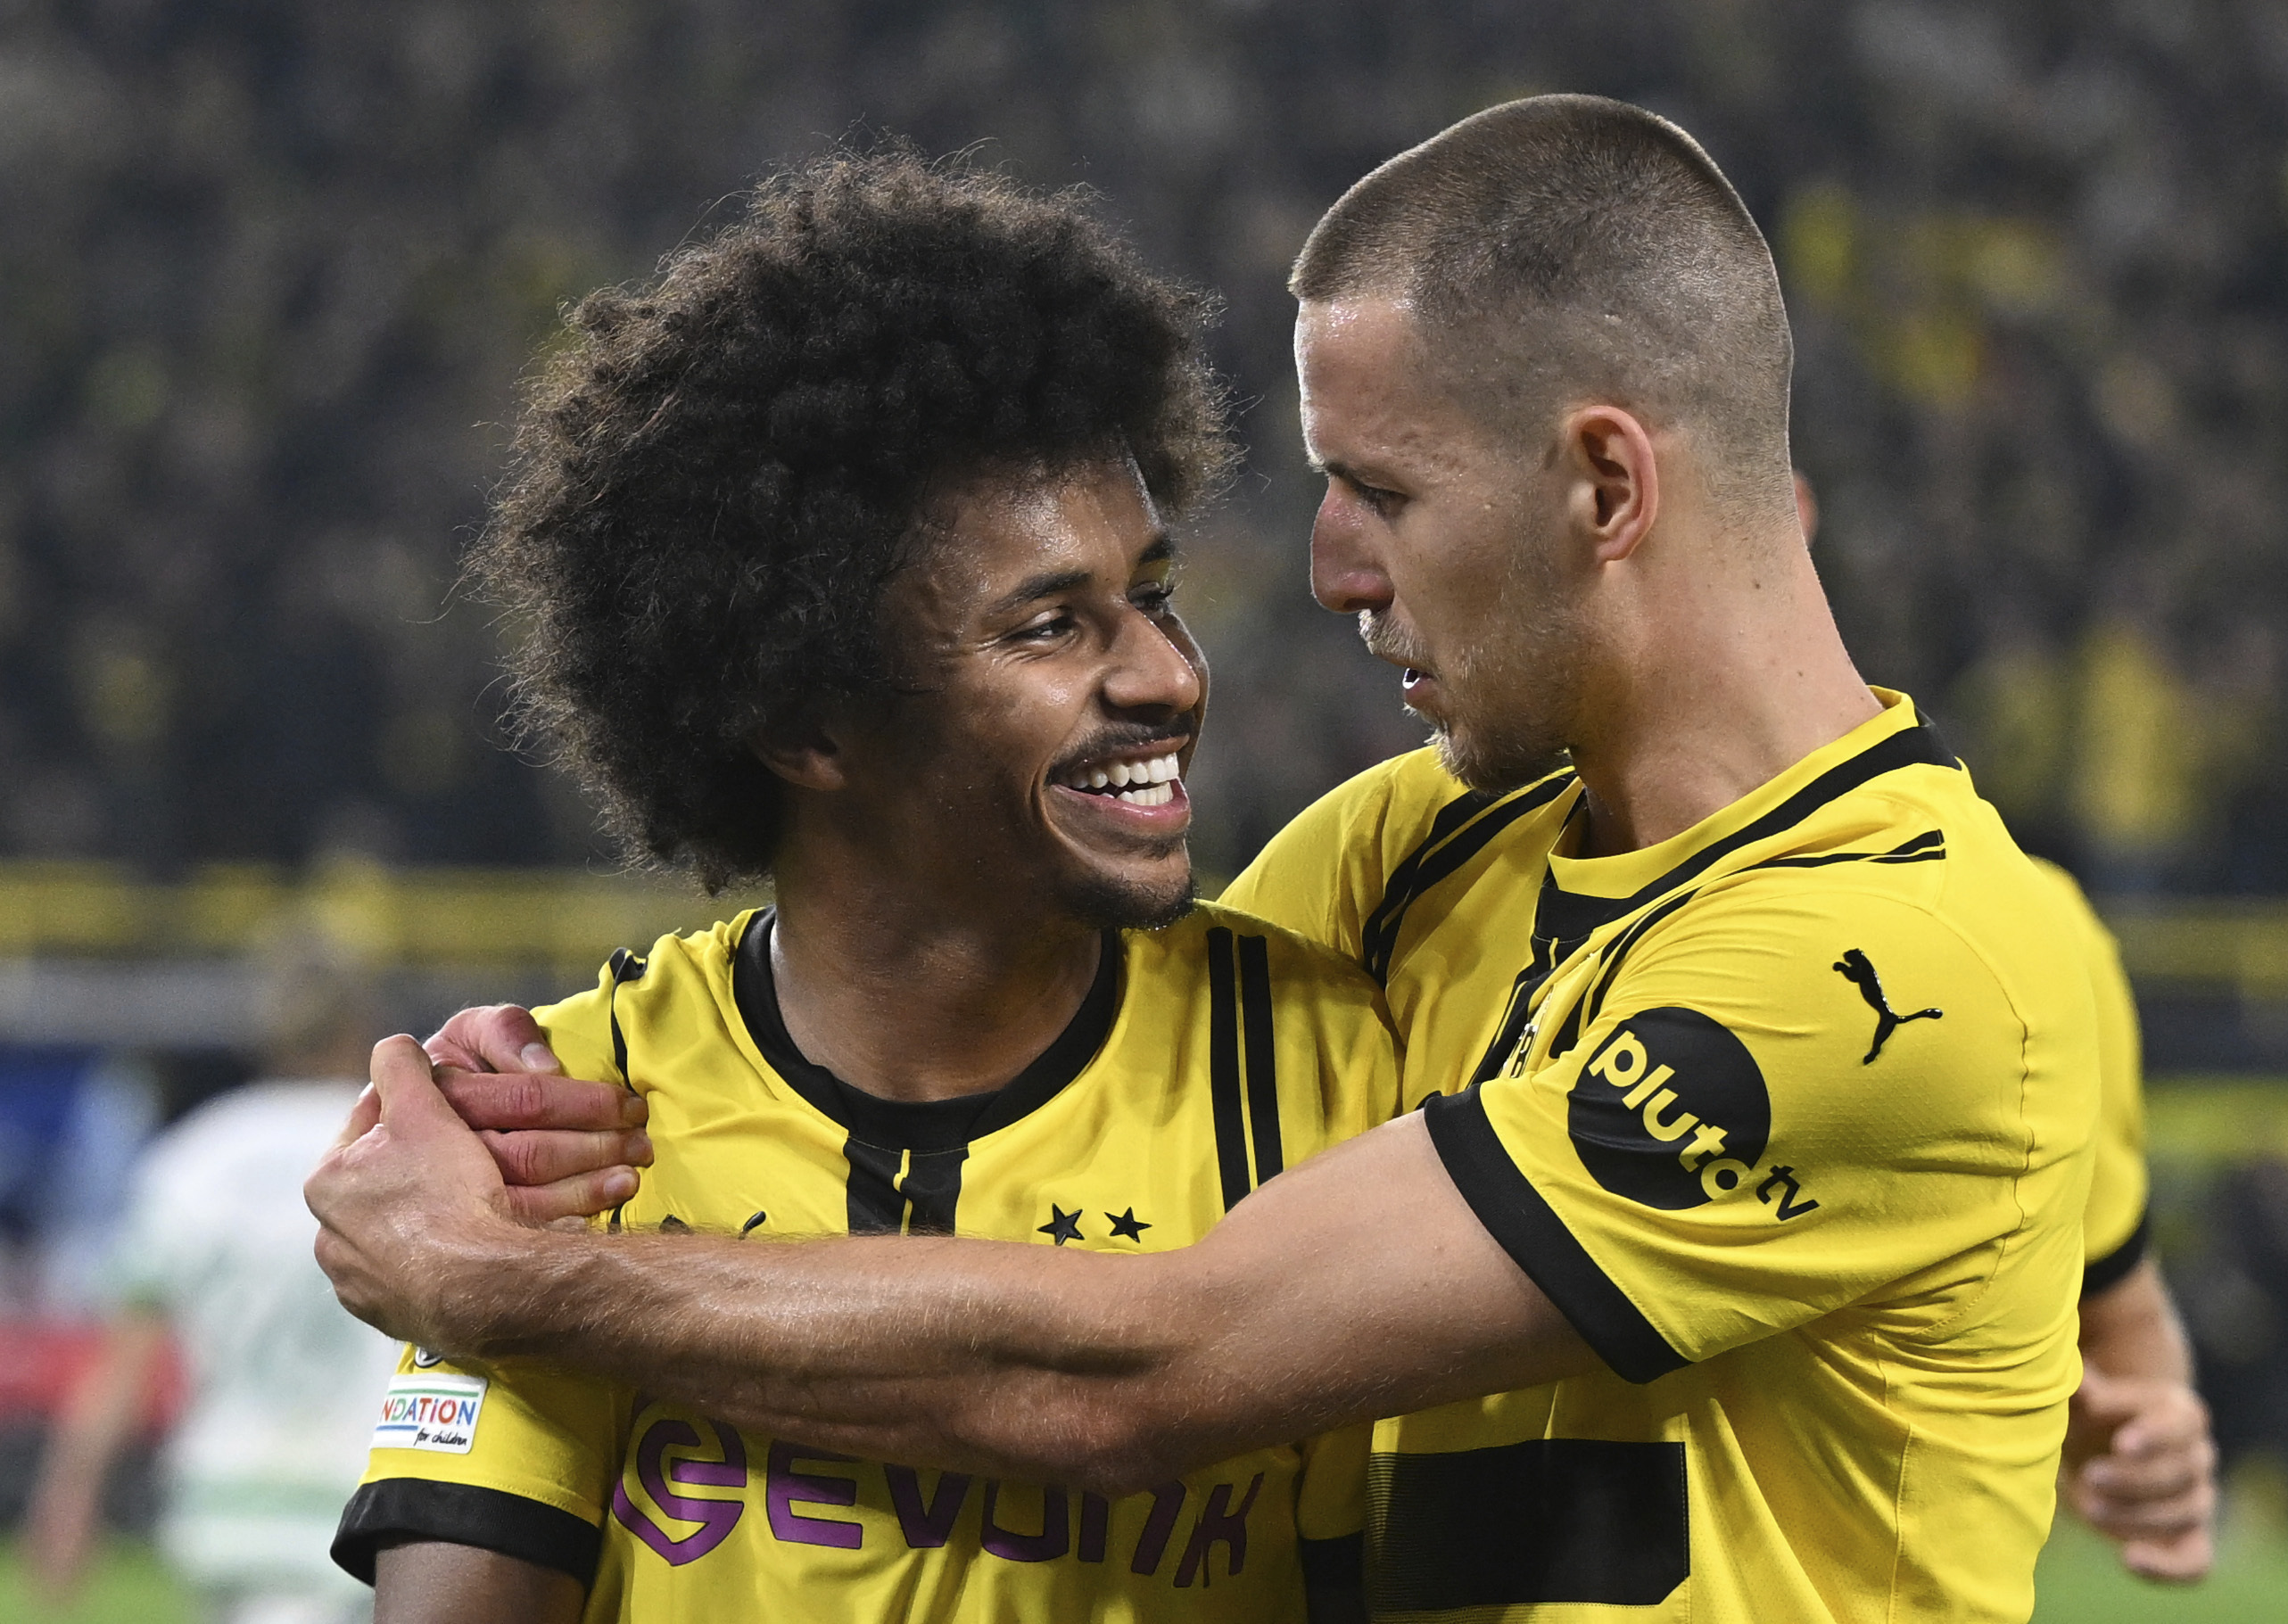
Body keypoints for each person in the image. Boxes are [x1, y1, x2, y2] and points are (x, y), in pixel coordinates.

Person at [314, 98, 2135, 1621]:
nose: (1329, 571)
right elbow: (1076, 1058)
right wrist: (543, 1091)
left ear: (1603, 485)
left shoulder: (1902, 967)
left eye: (1384, 490)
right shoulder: (1398, 866)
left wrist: (511, 1280)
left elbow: (1162, 1359)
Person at [322, 151, 1400, 1624]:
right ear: (807, 724)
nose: (1163, 674)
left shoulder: (1328, 1079)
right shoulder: (576, 1115)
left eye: (1148, 594)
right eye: (1049, 626)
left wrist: (500, 1279)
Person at [27, 927, 398, 1624]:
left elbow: (123, 1364)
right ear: (363, 1024)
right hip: (363, 1501)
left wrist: (69, 1495)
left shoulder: (192, 1160)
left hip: (225, 1506)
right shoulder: (397, 1151)